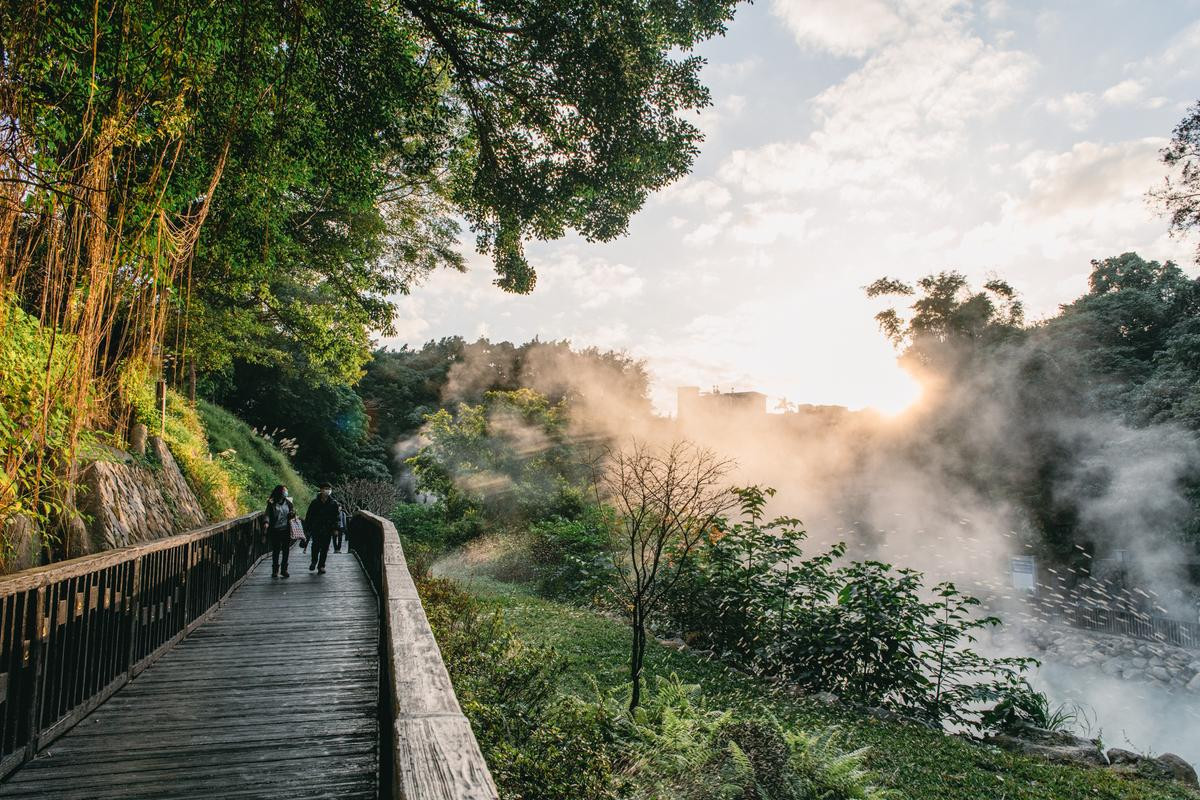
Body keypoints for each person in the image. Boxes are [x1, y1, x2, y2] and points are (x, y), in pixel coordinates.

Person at [304, 482, 341, 574]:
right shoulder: (315, 502)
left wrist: (336, 529)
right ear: (321, 490)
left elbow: (336, 517)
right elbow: (309, 516)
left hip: (328, 528)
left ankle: (321, 566)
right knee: (315, 546)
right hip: (316, 528)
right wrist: (307, 529)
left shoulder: (333, 503)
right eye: (325, 488)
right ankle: (314, 561)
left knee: (325, 548)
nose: (327, 490)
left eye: (329, 488)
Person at [263, 485, 296, 578]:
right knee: (276, 550)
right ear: (279, 492)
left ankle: (284, 570)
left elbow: (293, 513)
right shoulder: (272, 503)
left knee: (286, 550)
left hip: (286, 530)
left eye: (286, 490)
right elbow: (267, 514)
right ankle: (275, 570)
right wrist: (266, 522)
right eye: (284, 490)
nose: (286, 492)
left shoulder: (289, 503)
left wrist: (292, 514)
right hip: (275, 530)